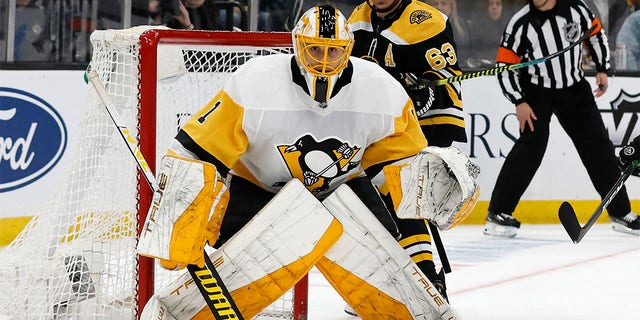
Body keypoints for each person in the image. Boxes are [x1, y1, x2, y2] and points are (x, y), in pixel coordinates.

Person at [138, 5, 473, 319]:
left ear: (348, 49)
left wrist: (423, 253)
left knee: (404, 295)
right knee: (212, 298)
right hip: (260, 192)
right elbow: (196, 151)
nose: (324, 61)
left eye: (333, 51)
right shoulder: (254, 83)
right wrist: (178, 225)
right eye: (315, 50)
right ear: (297, 46)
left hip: (344, 194)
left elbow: (402, 182)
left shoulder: (383, 92)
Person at [347, 0, 468, 314]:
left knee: (407, 195)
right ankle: (389, 279)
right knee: (371, 200)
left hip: (432, 120)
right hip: (384, 121)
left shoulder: (427, 19)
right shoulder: (358, 18)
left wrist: (420, 86)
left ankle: (428, 280)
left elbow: (441, 82)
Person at [484, 0, 640, 238]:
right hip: (537, 92)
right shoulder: (520, 23)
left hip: (574, 88)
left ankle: (621, 212)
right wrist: (519, 101)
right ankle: (498, 212)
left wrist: (602, 68)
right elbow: (505, 65)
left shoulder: (575, 9)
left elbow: (596, 33)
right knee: (530, 147)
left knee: (599, 147)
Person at [466, 0, 511, 67]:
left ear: (503, 7)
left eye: (498, 4)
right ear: (485, 7)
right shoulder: (474, 28)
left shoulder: (510, 28)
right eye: (491, 4)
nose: (494, 7)